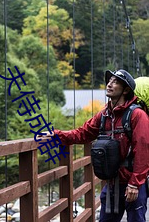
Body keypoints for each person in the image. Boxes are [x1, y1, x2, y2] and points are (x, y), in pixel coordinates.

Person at [39, 69, 149, 222]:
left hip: (132, 183)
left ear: (126, 90)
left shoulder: (137, 115)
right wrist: (56, 135)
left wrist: (135, 184)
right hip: (112, 182)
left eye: (115, 82)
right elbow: (83, 133)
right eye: (109, 81)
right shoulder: (104, 115)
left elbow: (143, 151)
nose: (109, 84)